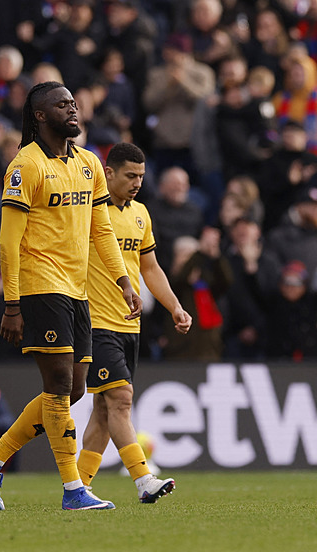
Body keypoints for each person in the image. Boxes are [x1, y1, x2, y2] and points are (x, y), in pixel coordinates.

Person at [0, 81, 142, 511]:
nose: (74, 110)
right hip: (40, 285)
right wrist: (12, 303)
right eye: (63, 105)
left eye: (75, 104)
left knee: (76, 390)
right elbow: (9, 241)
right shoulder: (24, 166)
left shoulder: (89, 163)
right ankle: (72, 489)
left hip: (79, 289)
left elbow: (101, 228)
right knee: (59, 385)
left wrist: (122, 280)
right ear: (40, 115)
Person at [75, 143, 191, 503]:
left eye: (141, 176)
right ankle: (143, 479)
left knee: (104, 412)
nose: (137, 182)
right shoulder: (89, 211)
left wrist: (174, 306)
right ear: (108, 173)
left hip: (130, 326)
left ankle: (76, 488)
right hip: (96, 322)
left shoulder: (141, 213)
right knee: (121, 400)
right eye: (130, 175)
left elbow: (150, 268)